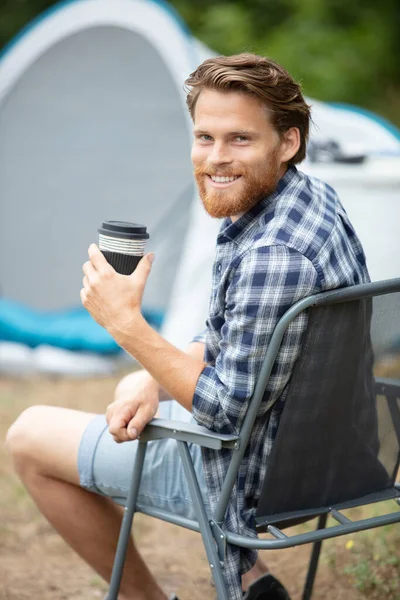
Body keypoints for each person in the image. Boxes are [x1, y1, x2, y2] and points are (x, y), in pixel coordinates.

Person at [5, 53, 370, 600]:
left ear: (288, 141)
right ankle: (255, 584)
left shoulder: (273, 255)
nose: (216, 158)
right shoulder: (309, 199)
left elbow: (224, 411)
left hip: (248, 480)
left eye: (239, 139)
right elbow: (242, 340)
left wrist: (128, 327)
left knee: (29, 436)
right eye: (204, 137)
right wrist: (151, 377)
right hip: (333, 453)